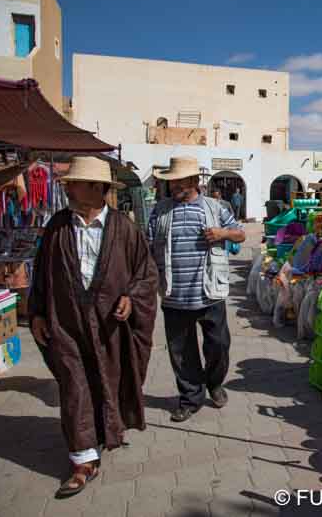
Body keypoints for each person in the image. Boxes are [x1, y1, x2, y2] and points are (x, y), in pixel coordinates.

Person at [28, 157, 158, 498]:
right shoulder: (57, 226)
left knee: (109, 380)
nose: (69, 187)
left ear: (98, 189)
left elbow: (146, 274)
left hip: (109, 326)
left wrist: (131, 297)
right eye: (70, 183)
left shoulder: (125, 229)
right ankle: (83, 461)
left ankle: (106, 432)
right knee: (74, 386)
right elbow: (41, 274)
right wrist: (38, 313)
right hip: (66, 321)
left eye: (76, 182)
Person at [148, 156, 246, 422]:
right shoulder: (160, 211)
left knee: (219, 345)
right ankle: (190, 397)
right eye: (172, 182)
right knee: (181, 352)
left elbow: (240, 234)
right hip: (173, 295)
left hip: (209, 292)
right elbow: (147, 246)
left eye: (180, 181)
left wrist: (223, 234)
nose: (175, 186)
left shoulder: (215, 207)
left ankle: (214, 383)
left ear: (194, 181)